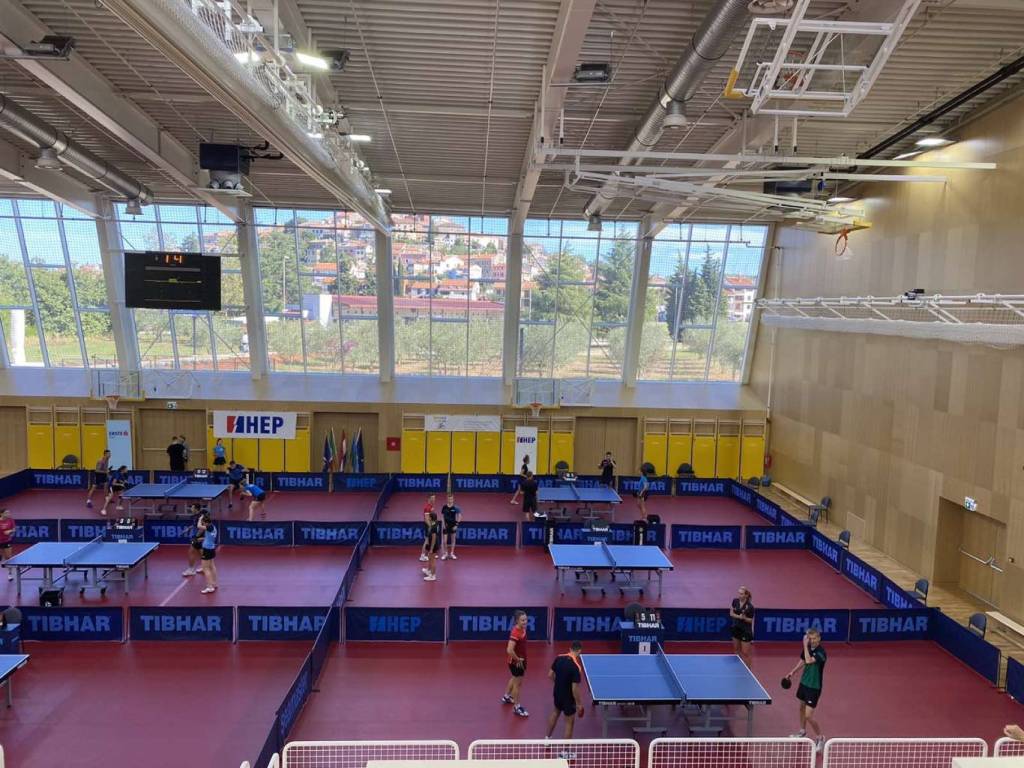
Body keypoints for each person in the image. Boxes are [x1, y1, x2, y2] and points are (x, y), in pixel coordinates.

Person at [784, 628, 826, 750]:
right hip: (804, 683)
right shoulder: (808, 649)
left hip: (814, 687)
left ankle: (820, 737)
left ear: (819, 638)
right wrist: (792, 672)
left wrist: (804, 644)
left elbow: (808, 660)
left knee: (808, 716)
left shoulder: (821, 653)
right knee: (801, 708)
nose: (813, 641)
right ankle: (802, 731)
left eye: (815, 638)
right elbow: (803, 661)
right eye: (810, 638)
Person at [547, 641, 585, 746]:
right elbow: (575, 689)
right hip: (568, 698)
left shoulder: (559, 658)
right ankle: (565, 751)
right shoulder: (576, 667)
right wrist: (579, 704)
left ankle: (547, 739)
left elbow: (550, 675)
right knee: (569, 723)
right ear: (579, 651)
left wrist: (559, 684)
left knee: (555, 713)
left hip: (557, 693)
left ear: (570, 649)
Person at [501, 609, 529, 717]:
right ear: (517, 621)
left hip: (519, 660)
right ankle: (517, 707)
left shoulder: (522, 629)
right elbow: (509, 650)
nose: (525, 622)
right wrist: (518, 659)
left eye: (526, 619)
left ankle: (507, 696)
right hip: (517, 662)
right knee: (518, 685)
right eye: (522, 620)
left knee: (514, 678)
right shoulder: (516, 633)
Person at [730, 586, 755, 666]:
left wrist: (744, 618)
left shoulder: (750, 607)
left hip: (745, 631)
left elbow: (750, 620)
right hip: (736, 628)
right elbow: (731, 613)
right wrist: (739, 617)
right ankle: (738, 668)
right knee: (736, 651)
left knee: (745, 653)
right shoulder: (735, 601)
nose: (739, 595)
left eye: (741, 594)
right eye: (739, 593)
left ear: (746, 595)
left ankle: (748, 671)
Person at [181, 504, 206, 577]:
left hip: (198, 537)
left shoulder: (200, 516)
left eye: (192, 508)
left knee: (191, 551)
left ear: (196, 509)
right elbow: (195, 525)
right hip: (199, 537)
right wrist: (188, 529)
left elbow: (202, 528)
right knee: (201, 552)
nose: (191, 509)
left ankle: (191, 570)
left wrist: (196, 537)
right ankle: (205, 567)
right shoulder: (196, 516)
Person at [196, 512, 218, 594]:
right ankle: (214, 583)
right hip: (212, 548)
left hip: (207, 549)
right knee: (212, 566)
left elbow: (198, 526)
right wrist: (202, 539)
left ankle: (210, 587)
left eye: (203, 523)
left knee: (205, 568)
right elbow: (209, 536)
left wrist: (200, 518)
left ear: (206, 522)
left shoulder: (208, 527)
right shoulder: (213, 527)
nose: (203, 524)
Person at [420, 510, 441, 582]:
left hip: (434, 545)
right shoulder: (435, 523)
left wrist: (431, 549)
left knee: (433, 560)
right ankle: (429, 571)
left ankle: (433, 576)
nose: (428, 517)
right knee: (430, 558)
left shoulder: (434, 526)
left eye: (429, 516)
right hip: (432, 543)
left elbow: (434, 538)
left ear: (431, 518)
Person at [440, 493, 461, 561]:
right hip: (446, 526)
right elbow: (442, 516)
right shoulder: (444, 507)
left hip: (453, 526)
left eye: (451, 499)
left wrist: (456, 525)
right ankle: (445, 553)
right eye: (449, 499)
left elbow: (460, 516)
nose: (450, 500)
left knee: (453, 540)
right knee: (444, 541)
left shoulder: (456, 507)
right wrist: (443, 524)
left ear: (453, 499)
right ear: (447, 499)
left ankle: (452, 553)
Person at [419, 494, 436, 563]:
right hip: (428, 526)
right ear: (429, 499)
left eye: (434, 498)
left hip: (430, 526)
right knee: (426, 541)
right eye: (432, 498)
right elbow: (426, 519)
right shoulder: (427, 507)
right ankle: (422, 556)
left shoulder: (431, 506)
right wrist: (431, 526)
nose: (434, 500)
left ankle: (428, 554)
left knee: (429, 541)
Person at [0, 509, 15, 580]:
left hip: (7, 541)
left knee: (8, 557)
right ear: (1, 514)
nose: (8, 514)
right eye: (6, 513)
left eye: (9, 512)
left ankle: (10, 574)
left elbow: (14, 529)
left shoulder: (11, 520)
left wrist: (10, 531)